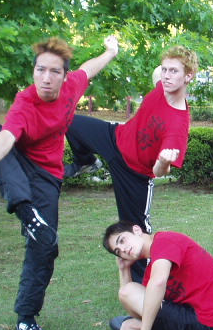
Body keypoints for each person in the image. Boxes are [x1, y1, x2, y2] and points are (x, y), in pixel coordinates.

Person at [0, 35, 119, 330]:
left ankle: (26, 319)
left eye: (54, 71)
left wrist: (110, 51)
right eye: (40, 69)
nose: (46, 77)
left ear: (64, 76)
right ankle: (25, 211)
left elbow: (89, 68)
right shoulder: (25, 102)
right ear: (33, 71)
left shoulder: (71, 88)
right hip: (16, 163)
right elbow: (6, 137)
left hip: (47, 176)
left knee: (45, 247)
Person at [63, 46, 198, 280]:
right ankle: (85, 162)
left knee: (136, 231)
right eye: (165, 69)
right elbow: (157, 75)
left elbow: (160, 171)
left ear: (189, 76)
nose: (167, 75)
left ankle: (145, 284)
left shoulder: (178, 126)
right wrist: (112, 51)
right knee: (67, 120)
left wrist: (163, 161)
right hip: (116, 139)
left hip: (135, 175)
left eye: (174, 71)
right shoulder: (161, 86)